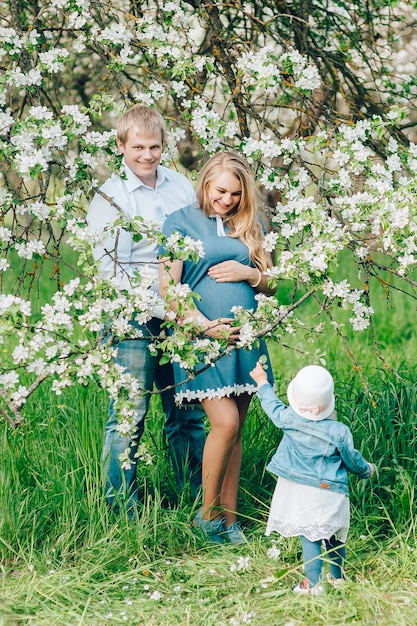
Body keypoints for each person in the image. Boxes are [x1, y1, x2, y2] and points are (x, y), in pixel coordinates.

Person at [86, 105, 206, 512]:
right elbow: (109, 270)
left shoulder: (181, 187)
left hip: (182, 315)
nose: (147, 155)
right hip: (133, 318)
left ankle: (197, 499)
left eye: (154, 146)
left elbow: (195, 244)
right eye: (138, 146)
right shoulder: (109, 198)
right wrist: (160, 305)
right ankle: (122, 509)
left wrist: (185, 308)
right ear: (121, 145)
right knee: (128, 415)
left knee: (187, 413)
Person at [159, 151, 277, 544]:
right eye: (220, 191)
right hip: (201, 338)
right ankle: (207, 517)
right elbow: (168, 291)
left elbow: (273, 283)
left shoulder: (251, 222)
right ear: (206, 182)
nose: (226, 201)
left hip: (246, 338)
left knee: (236, 430)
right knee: (224, 423)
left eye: (235, 195)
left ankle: (231, 520)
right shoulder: (179, 222)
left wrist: (251, 273)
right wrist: (204, 326)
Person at [249, 361, 374, 593]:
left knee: (310, 536)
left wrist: (262, 382)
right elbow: (352, 460)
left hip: (301, 491)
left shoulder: (288, 418)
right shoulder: (339, 431)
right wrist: (367, 470)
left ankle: (313, 585)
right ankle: (338, 577)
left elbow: (272, 405)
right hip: (331, 492)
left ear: (297, 400)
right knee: (334, 535)